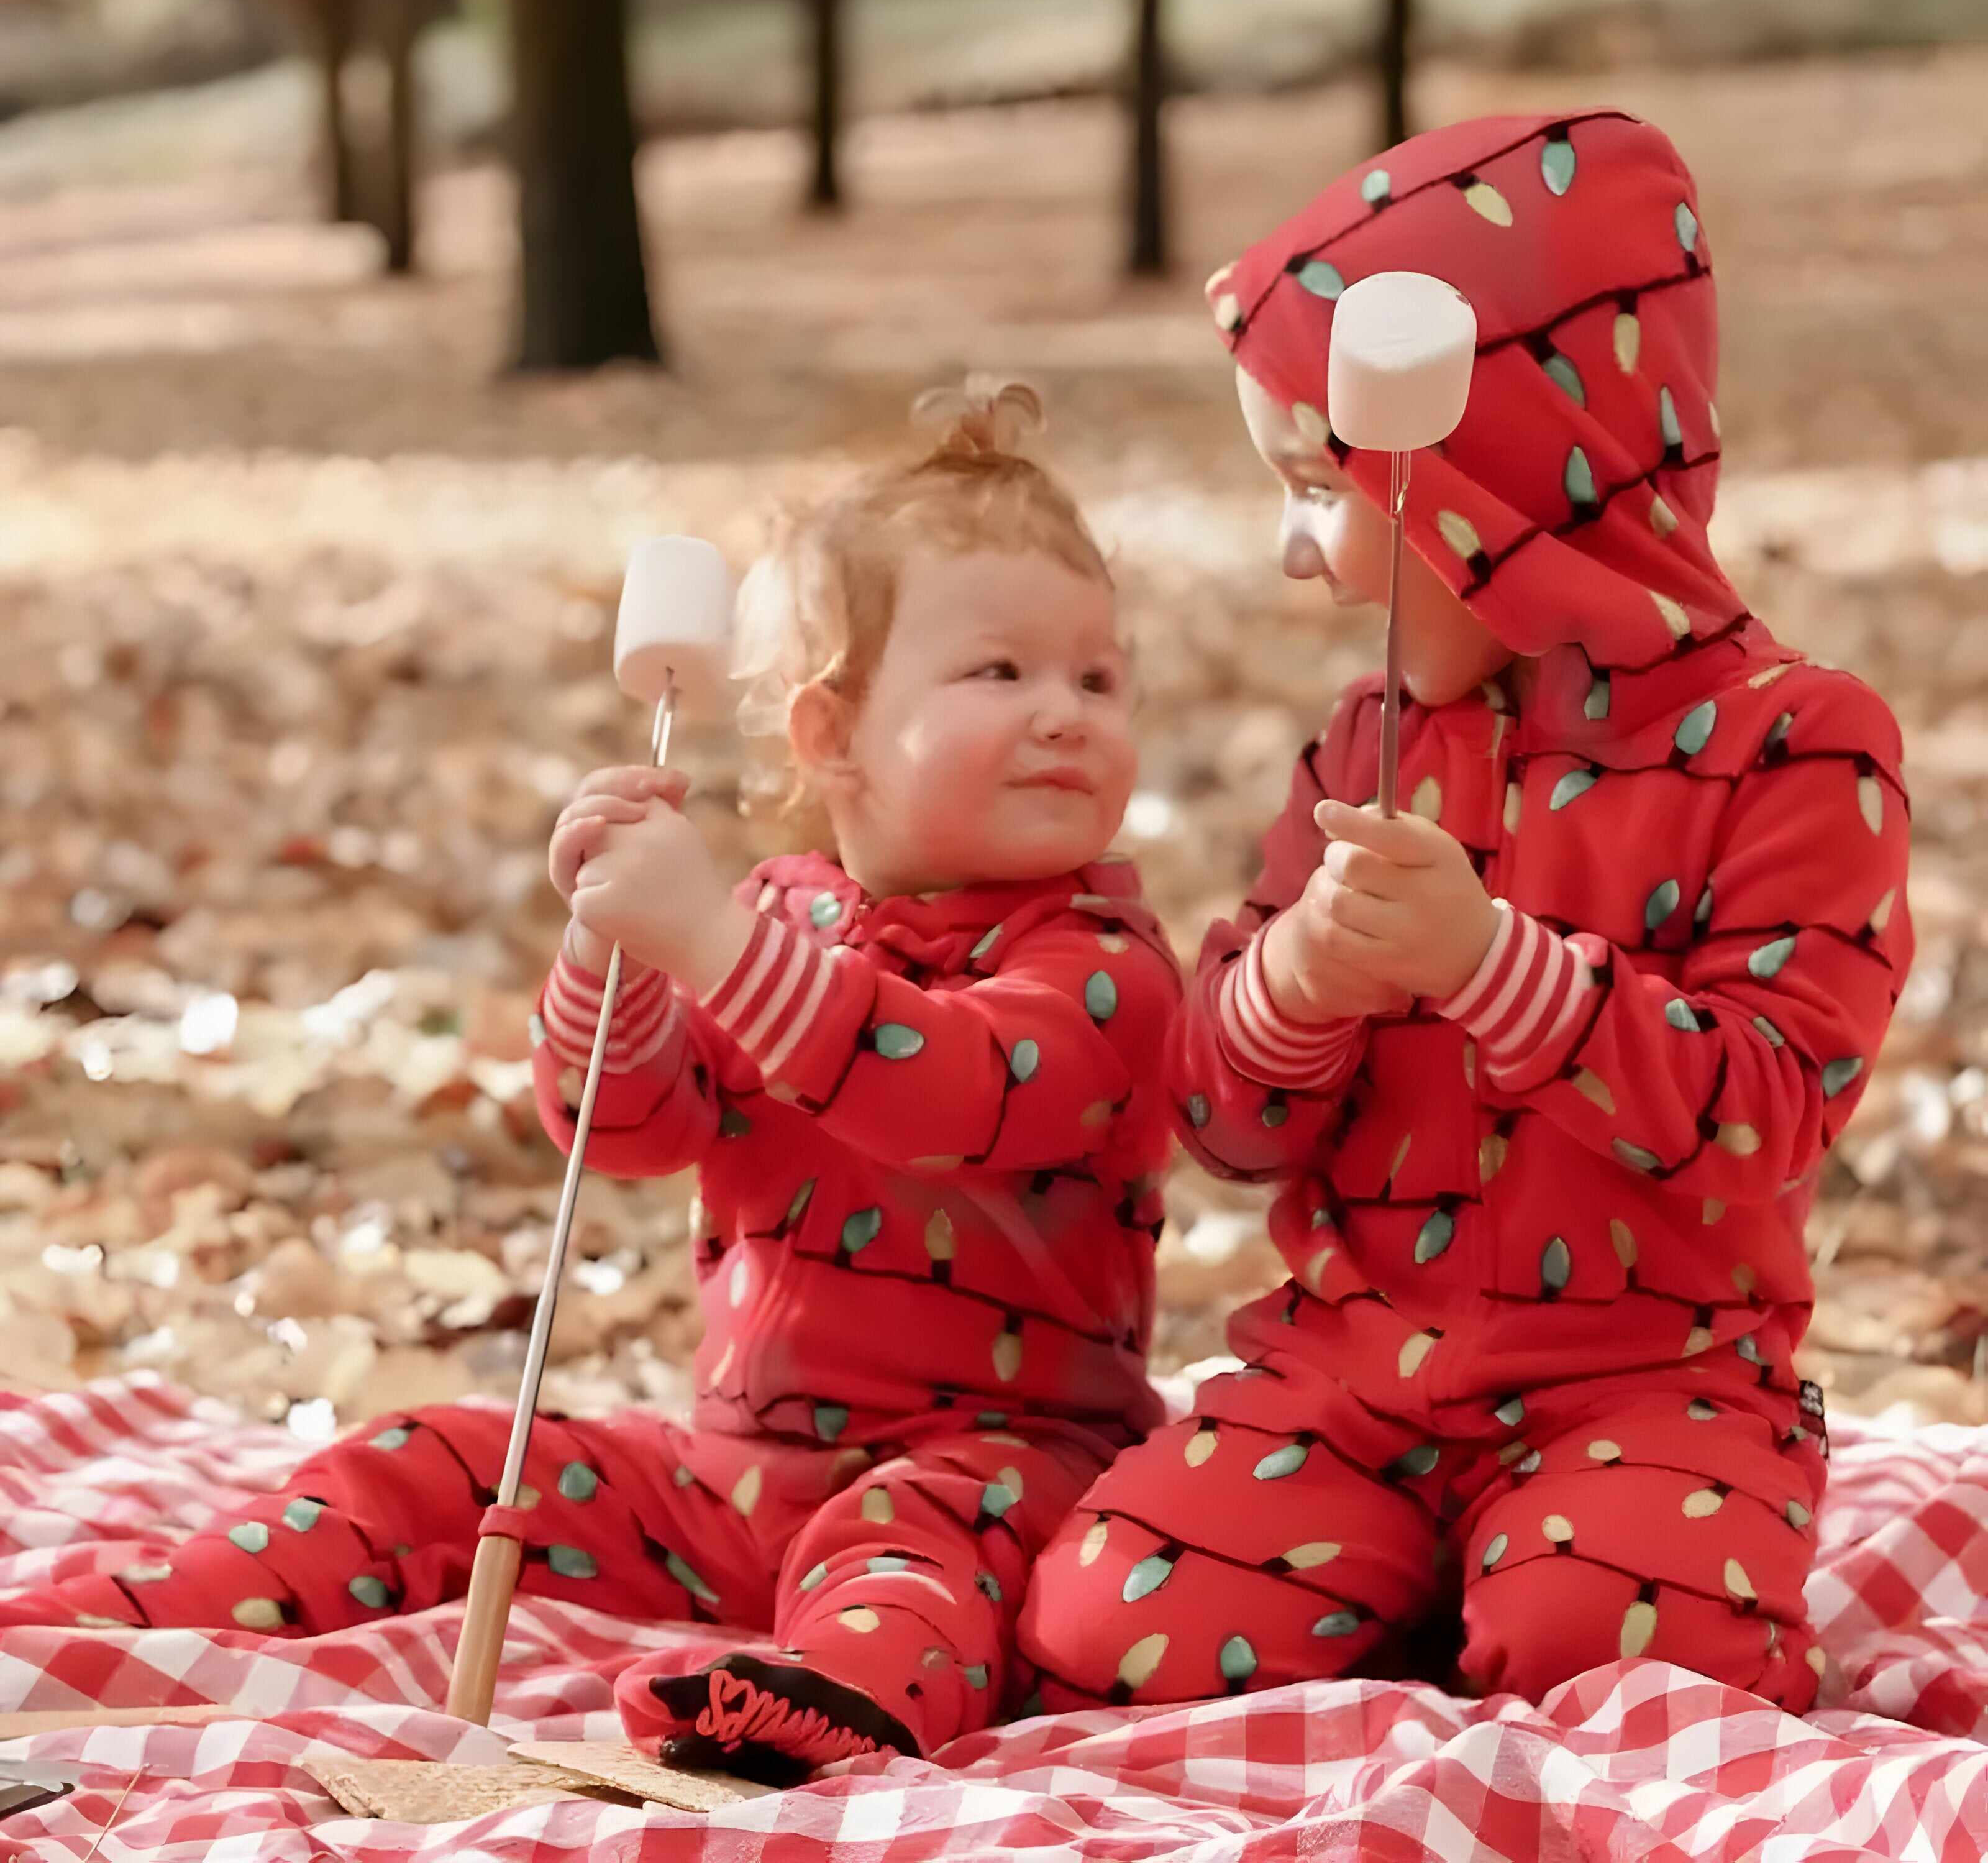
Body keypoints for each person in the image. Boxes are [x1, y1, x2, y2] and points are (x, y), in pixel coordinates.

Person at [6, 381, 1180, 1780]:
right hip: (728, 1475)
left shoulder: (1102, 961)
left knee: (916, 1549)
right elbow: (625, 1125)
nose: (1064, 712)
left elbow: (951, 1096)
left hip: (1005, 1458)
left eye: (1097, 678)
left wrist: (706, 939)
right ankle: (106, 1628)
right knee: (441, 1463)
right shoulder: (775, 915)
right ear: (829, 736)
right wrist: (606, 952)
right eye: (1002, 673)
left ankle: (813, 1711)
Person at [1021, 110, 1912, 1716]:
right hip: (1352, 1379)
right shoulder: (1368, 750)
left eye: (1323, 487)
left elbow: (1773, 1109)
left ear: (1490, 474)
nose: (1302, 560)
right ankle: (1447, 1574)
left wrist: (1499, 971)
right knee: (1108, 1626)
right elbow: (1227, 1124)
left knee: (1622, 1658)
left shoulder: (1796, 743)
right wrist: (1294, 983)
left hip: (1651, 1382)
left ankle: (1559, 1571)